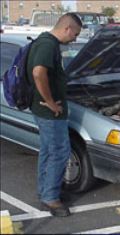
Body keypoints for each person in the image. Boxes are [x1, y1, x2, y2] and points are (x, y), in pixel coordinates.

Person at [27, 13, 82, 217]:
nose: (75, 38)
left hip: (44, 110)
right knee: (60, 151)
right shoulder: (47, 45)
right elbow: (38, 73)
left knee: (48, 151)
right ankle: (51, 198)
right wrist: (51, 102)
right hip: (49, 112)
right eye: (75, 34)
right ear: (67, 28)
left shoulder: (45, 42)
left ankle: (45, 192)